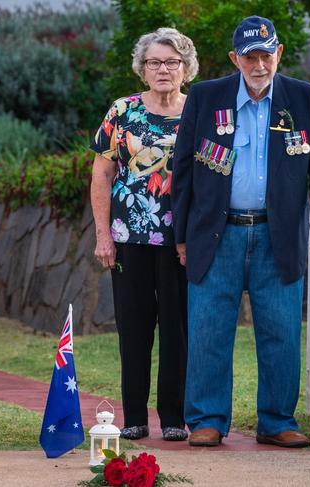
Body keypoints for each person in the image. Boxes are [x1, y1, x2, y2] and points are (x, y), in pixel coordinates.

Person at [171, 15, 310, 447]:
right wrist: (180, 235)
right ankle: (208, 419)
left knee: (281, 330)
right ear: (236, 58)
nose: (260, 64)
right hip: (216, 234)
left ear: (279, 53)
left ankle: (277, 420)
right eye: (250, 56)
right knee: (209, 329)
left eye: (267, 54)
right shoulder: (205, 97)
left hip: (277, 236)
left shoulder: (304, 99)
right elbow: (184, 170)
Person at [90, 27, 198, 441]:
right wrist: (104, 235)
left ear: (185, 67)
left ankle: (173, 417)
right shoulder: (122, 111)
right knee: (134, 329)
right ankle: (133, 416)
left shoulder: (198, 110)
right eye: (155, 62)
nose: (163, 69)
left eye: (172, 62)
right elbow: (101, 175)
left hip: (181, 242)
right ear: (142, 69)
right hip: (128, 240)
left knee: (177, 330)